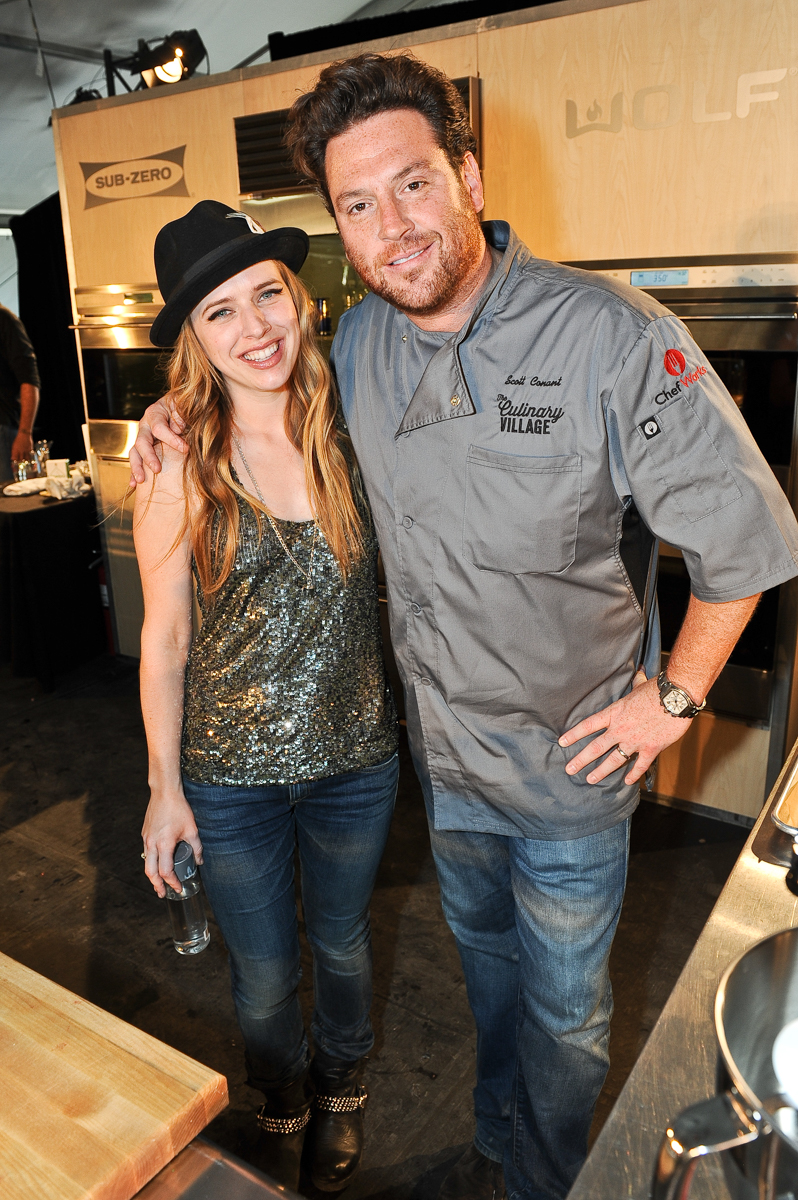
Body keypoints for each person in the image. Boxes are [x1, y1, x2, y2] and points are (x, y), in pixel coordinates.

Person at [130, 56, 798, 1200]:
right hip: (448, 780)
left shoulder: (609, 334)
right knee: (488, 987)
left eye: (412, 185)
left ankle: (543, 1183)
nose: (391, 228)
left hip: (569, 787)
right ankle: (494, 1145)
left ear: (467, 175)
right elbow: (256, 377)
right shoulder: (360, 354)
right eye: (357, 205)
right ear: (338, 226)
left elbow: (745, 539)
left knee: (569, 1021)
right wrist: (172, 410)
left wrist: (673, 697)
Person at [134, 200, 398, 1195]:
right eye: (220, 313)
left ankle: (342, 1090)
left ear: (298, 297)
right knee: (260, 973)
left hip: (356, 762)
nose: (256, 328)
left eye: (267, 296)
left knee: (339, 941)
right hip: (229, 778)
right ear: (196, 341)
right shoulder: (181, 460)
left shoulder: (354, 428)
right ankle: (279, 1095)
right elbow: (162, 642)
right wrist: (165, 789)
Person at [0, 302, 39, 480]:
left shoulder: (4, 319)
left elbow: (29, 379)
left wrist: (25, 432)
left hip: (4, 428)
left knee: (7, 500)